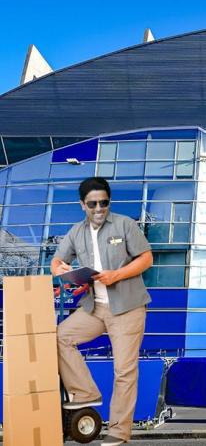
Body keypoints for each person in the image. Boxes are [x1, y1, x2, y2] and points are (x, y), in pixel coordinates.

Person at [51, 177, 153, 446]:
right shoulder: (76, 232)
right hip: (94, 308)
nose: (99, 208)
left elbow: (146, 258)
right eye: (93, 203)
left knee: (124, 371)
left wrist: (116, 274)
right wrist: (62, 270)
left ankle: (119, 433)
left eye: (104, 202)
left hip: (127, 309)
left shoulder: (125, 225)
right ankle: (84, 393)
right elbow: (57, 261)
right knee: (60, 336)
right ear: (82, 204)